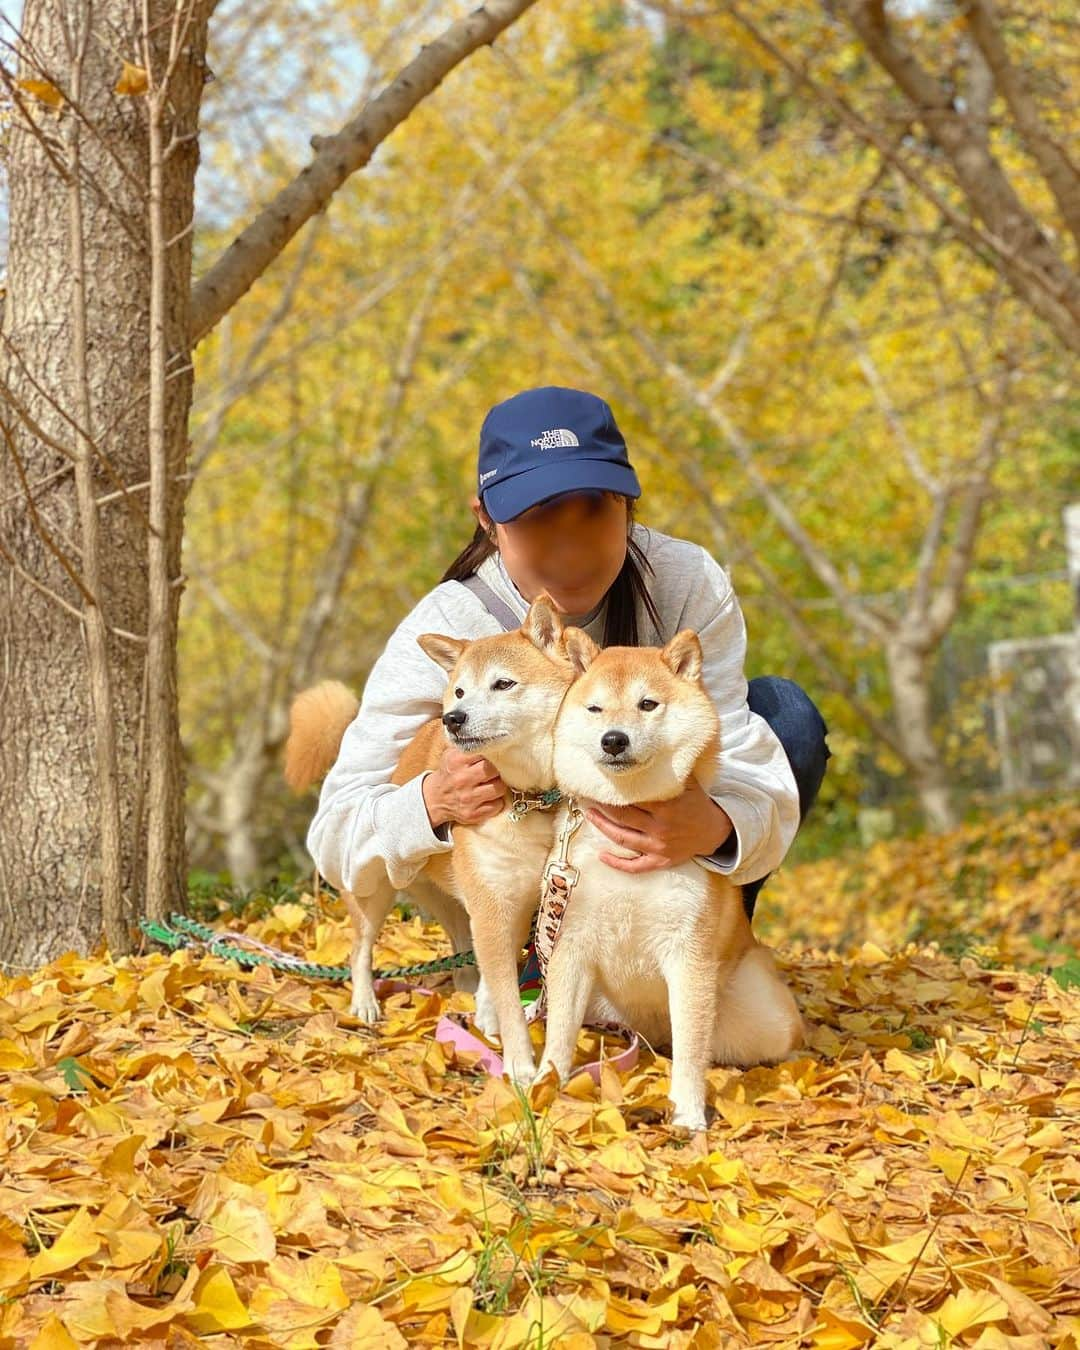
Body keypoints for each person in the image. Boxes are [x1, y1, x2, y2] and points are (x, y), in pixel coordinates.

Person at [307, 386, 830, 923]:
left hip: (645, 850)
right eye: (538, 515)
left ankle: (705, 948)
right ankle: (514, 962)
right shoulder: (451, 627)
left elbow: (744, 756)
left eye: (592, 509)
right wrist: (432, 802)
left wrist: (717, 826)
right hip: (511, 872)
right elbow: (337, 834)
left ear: (628, 505)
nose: (570, 540)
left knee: (786, 714)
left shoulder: (687, 581)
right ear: (486, 518)